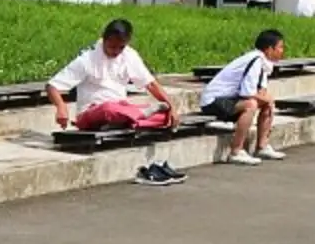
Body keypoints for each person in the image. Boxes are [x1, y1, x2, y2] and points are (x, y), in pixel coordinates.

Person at [47, 18, 177, 134]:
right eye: (112, 46)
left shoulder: (129, 55)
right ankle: (137, 116)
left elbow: (150, 84)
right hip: (93, 112)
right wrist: (61, 107)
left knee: (168, 116)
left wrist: (172, 107)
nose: (116, 51)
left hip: (122, 109)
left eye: (121, 47)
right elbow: (52, 86)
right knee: (108, 108)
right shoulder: (87, 58)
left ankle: (132, 118)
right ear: (104, 39)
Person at [201, 28, 288, 165]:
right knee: (251, 104)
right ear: (269, 49)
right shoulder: (255, 61)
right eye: (280, 47)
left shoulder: (264, 63)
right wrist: (267, 99)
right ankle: (236, 151)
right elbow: (247, 93)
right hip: (213, 101)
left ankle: (262, 146)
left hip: (230, 99)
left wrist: (268, 100)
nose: (282, 51)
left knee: (266, 103)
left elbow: (262, 91)